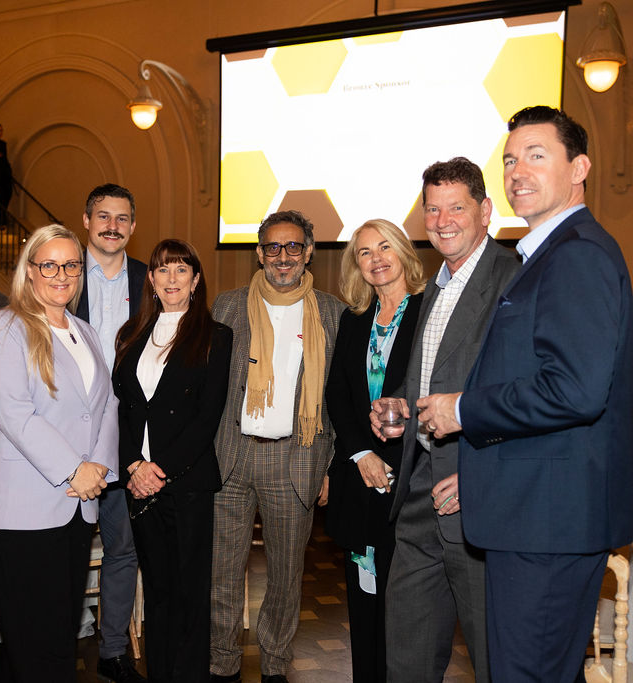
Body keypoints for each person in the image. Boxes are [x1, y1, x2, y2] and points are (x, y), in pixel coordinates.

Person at [418, 106, 633, 682]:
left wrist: (461, 409)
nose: (518, 171)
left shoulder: (577, 253)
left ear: (579, 168)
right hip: (537, 515)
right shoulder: (547, 254)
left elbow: (574, 391)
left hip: (549, 522)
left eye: (537, 156)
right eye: (511, 159)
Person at [370, 158, 519, 682]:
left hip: (475, 498)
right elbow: (437, 380)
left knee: (495, 659)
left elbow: (527, 395)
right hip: (418, 492)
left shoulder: (513, 278)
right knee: (406, 656)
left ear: (485, 211)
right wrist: (400, 411)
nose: (442, 220)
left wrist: (481, 474)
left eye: (456, 207)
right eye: (432, 209)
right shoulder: (435, 285)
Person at [0, 224, 118, 681]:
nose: (62, 275)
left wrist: (99, 467)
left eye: (71, 265)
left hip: (77, 505)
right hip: (23, 508)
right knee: (29, 641)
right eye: (50, 265)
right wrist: (75, 469)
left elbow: (106, 404)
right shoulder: (3, 327)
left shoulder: (85, 331)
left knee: (59, 637)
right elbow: (13, 411)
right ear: (30, 270)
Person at [209, 210, 345, 683]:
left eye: (293, 247)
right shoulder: (227, 306)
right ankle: (222, 664)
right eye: (273, 247)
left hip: (296, 457)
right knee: (222, 573)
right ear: (259, 252)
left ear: (309, 252)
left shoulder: (332, 313)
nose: (282, 256)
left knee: (286, 577)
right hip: (231, 455)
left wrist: (331, 466)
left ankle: (275, 666)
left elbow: (340, 397)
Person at [112, 239, 232, 683]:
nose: (172, 279)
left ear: (196, 280)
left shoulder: (216, 336)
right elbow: (121, 409)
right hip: (138, 485)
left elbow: (207, 417)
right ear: (151, 279)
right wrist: (133, 466)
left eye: (182, 270)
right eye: (163, 270)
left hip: (186, 483)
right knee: (158, 591)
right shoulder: (130, 334)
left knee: (189, 594)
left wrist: (157, 471)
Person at [324, 219, 425, 682]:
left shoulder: (428, 309)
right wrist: (361, 455)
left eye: (385, 247)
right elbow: (338, 395)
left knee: (406, 608)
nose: (376, 259)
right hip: (360, 480)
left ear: (403, 251)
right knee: (363, 604)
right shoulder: (354, 318)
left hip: (412, 481)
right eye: (364, 252)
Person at [72, 183, 147, 683]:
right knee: (65, 552)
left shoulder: (149, 280)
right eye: (103, 216)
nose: (112, 226)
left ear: (133, 226)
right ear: (86, 220)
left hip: (126, 435)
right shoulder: (61, 272)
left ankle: (113, 650)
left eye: (122, 218)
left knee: (123, 550)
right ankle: (52, 648)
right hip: (66, 438)